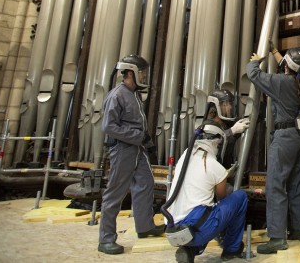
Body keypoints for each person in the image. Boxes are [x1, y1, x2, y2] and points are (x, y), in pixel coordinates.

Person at [246, 44, 300, 254]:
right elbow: (290, 66)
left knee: (275, 185)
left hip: (284, 138)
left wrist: (255, 61)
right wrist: (275, 53)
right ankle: (299, 230)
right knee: (296, 184)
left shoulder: (282, 82)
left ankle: (276, 238)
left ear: (285, 66)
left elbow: (253, 75)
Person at [98, 54, 165, 255]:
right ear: (130, 72)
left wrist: (147, 142)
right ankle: (106, 239)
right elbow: (109, 126)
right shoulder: (117, 95)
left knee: (146, 183)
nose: (144, 76)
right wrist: (138, 136)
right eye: (141, 73)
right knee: (115, 193)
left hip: (137, 149)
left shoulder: (134, 94)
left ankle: (144, 226)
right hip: (122, 149)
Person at [164, 120, 250, 263]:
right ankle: (231, 250)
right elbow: (221, 197)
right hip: (196, 228)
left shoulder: (184, 156)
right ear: (216, 143)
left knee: (205, 210)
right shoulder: (214, 166)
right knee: (239, 197)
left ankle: (191, 249)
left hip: (172, 227)